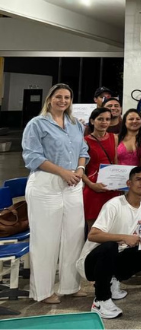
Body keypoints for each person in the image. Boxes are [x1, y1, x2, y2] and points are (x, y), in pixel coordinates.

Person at [77, 166, 141, 319]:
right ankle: (100, 300)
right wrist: (124, 237)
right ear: (129, 183)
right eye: (138, 179)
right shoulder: (114, 205)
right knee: (111, 246)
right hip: (92, 263)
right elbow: (93, 235)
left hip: (119, 257)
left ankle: (113, 278)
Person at [22, 83, 90, 304]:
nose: (63, 101)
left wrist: (79, 169)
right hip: (46, 184)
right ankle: (42, 291)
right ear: (50, 99)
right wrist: (63, 172)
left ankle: (70, 286)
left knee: (74, 235)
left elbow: (83, 151)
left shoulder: (75, 124)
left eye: (67, 97)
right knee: (46, 239)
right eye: (59, 97)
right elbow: (33, 157)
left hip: (73, 183)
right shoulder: (37, 124)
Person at [82, 107, 121, 228]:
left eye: (107, 119)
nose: (104, 122)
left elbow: (115, 161)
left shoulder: (114, 137)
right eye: (100, 119)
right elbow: (79, 167)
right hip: (93, 186)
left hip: (111, 185)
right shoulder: (84, 141)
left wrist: (119, 182)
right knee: (93, 227)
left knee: (113, 225)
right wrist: (91, 184)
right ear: (92, 121)